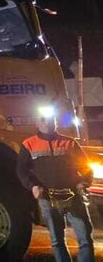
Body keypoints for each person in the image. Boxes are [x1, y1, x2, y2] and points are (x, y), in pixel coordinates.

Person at [16, 105, 95, 262]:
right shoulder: (29, 144)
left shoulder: (69, 143)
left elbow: (86, 167)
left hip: (73, 196)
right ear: (37, 123)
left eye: (50, 120)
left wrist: (84, 183)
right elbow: (21, 170)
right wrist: (32, 186)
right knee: (57, 241)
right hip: (48, 198)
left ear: (56, 122)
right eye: (43, 120)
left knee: (85, 238)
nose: (47, 123)